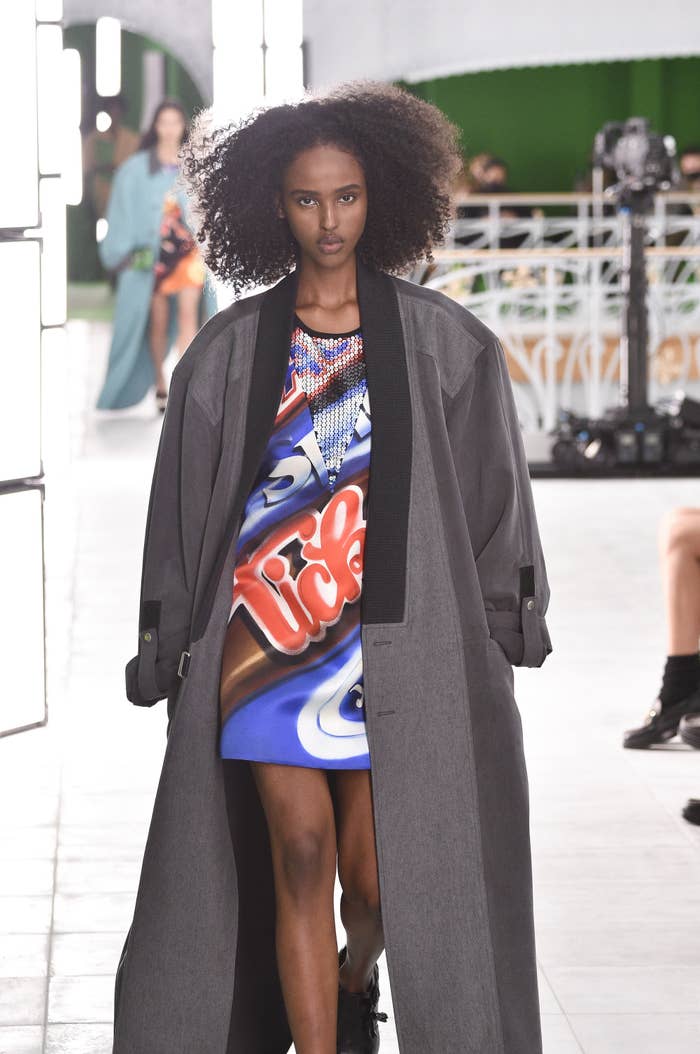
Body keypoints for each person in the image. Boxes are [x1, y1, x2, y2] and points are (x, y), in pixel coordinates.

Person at [112, 82, 553, 1054]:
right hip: (265, 640)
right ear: (274, 203)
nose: (329, 221)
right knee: (300, 855)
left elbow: (495, 491)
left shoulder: (442, 340)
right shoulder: (226, 353)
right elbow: (182, 513)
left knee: (378, 876)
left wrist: (510, 615)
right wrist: (164, 636)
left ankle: (355, 977)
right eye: (308, 200)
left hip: (399, 644)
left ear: (379, 196)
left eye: (346, 197)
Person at [95, 98, 217, 413]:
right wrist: (125, 253)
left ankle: (185, 384)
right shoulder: (135, 169)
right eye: (164, 122)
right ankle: (162, 384)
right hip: (152, 256)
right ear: (156, 126)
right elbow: (122, 209)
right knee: (158, 321)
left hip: (188, 253)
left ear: (182, 127)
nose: (169, 128)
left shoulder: (194, 165)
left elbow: (208, 209)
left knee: (190, 315)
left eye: (175, 122)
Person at [82, 93, 140, 221]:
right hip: (100, 197)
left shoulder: (132, 140)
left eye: (117, 109)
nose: (115, 113)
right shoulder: (94, 140)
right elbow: (87, 169)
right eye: (111, 109)